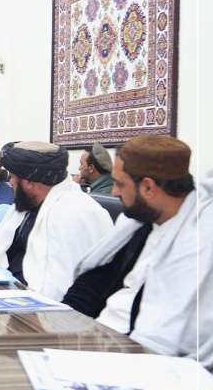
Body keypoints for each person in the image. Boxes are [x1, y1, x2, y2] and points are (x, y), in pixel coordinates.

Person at [63, 136, 212, 366]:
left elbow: (170, 339)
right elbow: (91, 285)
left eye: (120, 184)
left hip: (143, 361)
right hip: (94, 341)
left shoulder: (198, 241)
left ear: (148, 188)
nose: (114, 193)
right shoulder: (138, 224)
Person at [0, 141, 113, 300]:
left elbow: (59, 290)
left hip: (39, 308)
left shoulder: (73, 213)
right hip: (7, 293)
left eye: (13, 177)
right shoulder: (27, 204)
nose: (10, 183)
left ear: (29, 181)